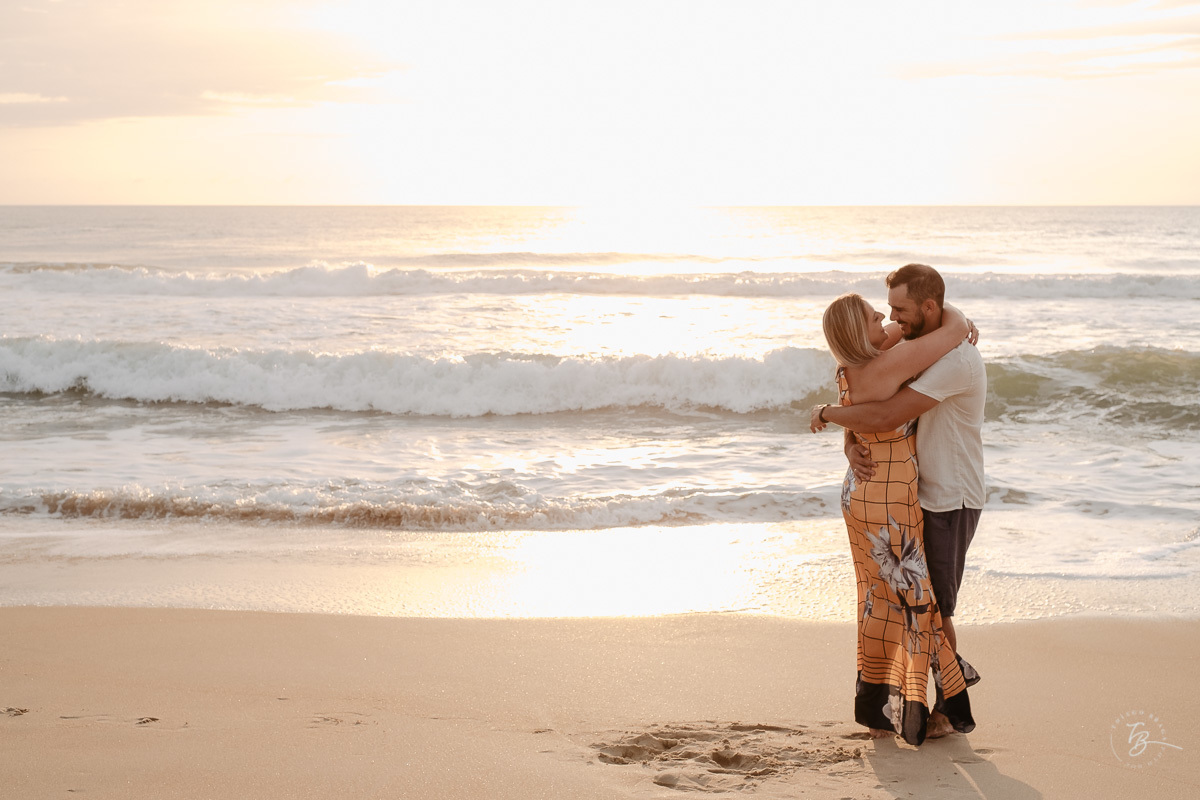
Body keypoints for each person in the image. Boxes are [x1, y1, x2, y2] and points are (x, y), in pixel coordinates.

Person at [809, 281, 977, 745]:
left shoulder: (852, 366)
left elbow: (864, 410)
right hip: (886, 502)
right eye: (873, 318)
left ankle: (880, 705)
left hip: (862, 495)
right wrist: (958, 321)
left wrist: (837, 425)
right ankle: (925, 711)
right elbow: (950, 329)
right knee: (918, 605)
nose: (885, 322)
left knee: (879, 602)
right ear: (859, 334)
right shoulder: (883, 365)